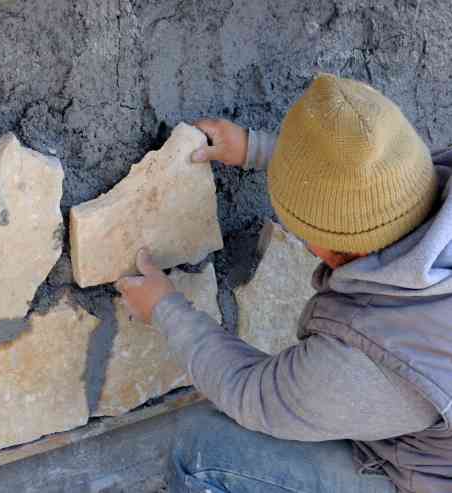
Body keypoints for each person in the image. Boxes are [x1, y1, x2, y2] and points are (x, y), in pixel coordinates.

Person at [115, 73, 452, 493]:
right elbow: (371, 192)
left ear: (321, 244)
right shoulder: (422, 189)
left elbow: (252, 394)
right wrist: (257, 149)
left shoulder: (375, 361)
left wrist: (166, 308)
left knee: (201, 446)